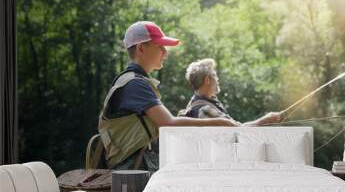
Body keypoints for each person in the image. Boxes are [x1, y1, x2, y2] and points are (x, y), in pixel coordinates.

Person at [98, 22, 239, 171]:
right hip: (133, 169)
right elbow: (168, 123)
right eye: (160, 47)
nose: (165, 52)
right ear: (140, 48)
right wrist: (218, 122)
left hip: (136, 164)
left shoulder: (133, 80)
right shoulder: (135, 84)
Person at [179, 58, 281, 126]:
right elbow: (237, 132)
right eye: (215, 75)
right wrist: (265, 120)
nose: (218, 79)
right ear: (207, 80)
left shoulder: (197, 103)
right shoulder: (204, 109)